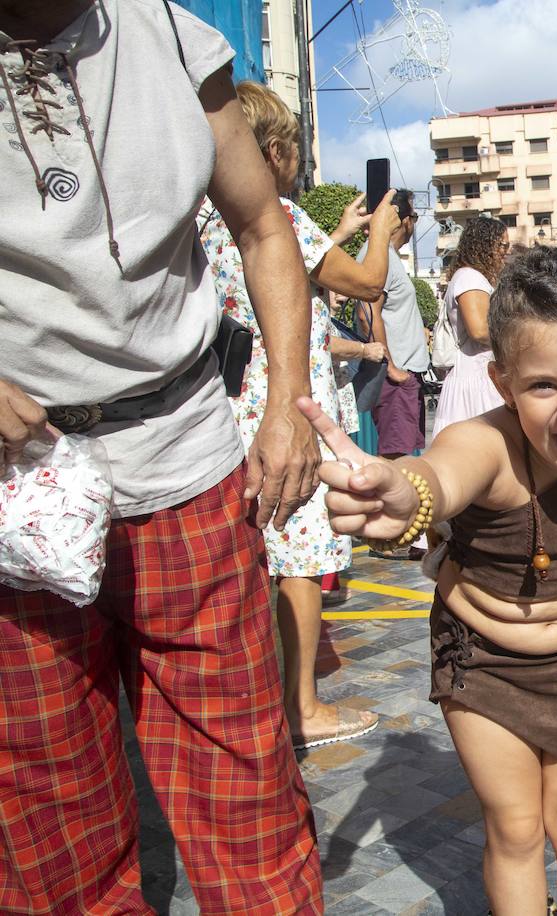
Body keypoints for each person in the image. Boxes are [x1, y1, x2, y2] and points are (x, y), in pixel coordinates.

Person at [0, 2, 322, 911]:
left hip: (187, 459)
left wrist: (290, 407)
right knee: (47, 813)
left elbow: (264, 228)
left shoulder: (177, 38)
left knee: (247, 790)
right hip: (17, 496)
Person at [300, 246, 557, 913]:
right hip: (482, 668)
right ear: (504, 383)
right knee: (513, 828)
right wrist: (401, 494)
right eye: (543, 386)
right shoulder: (488, 444)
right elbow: (438, 476)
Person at [198, 81, 402, 749]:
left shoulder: (198, 218)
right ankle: (302, 707)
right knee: (299, 555)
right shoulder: (274, 217)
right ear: (278, 153)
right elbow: (367, 283)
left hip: (223, 407)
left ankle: (250, 705)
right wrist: (380, 231)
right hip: (286, 408)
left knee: (248, 559)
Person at [357, 189, 430, 465]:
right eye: (414, 216)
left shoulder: (386, 255)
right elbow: (368, 313)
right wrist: (391, 367)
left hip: (402, 373)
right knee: (394, 460)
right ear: (403, 220)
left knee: (403, 458)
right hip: (394, 376)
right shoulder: (378, 255)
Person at [433, 215, 510, 436]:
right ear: (485, 245)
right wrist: (514, 332)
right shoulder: (470, 278)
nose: (505, 251)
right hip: (475, 376)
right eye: (502, 245)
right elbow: (479, 330)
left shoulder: (468, 277)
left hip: (475, 373)